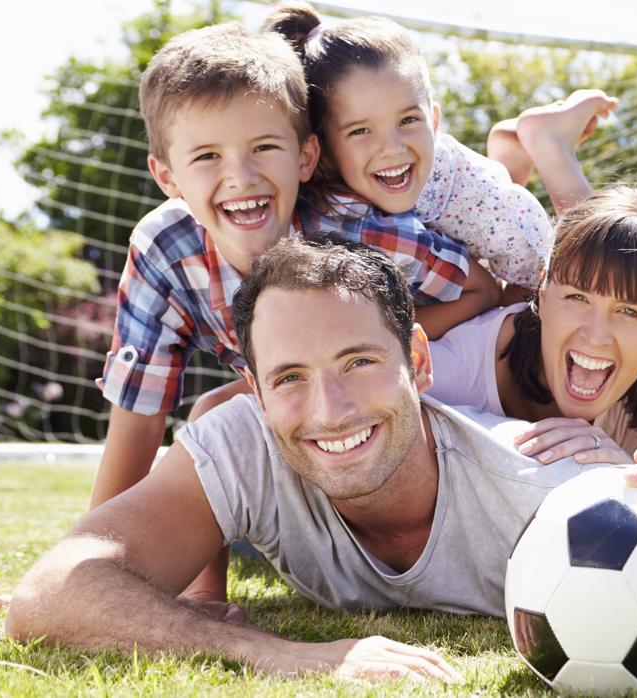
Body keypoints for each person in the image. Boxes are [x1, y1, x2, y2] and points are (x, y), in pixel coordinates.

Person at [5, 237, 637, 683]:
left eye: (359, 364)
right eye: (290, 378)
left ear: (418, 360)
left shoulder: (555, 494)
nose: (328, 410)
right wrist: (291, 656)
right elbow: (51, 591)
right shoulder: (245, 444)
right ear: (255, 394)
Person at [83, 20, 604, 611]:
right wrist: (96, 553)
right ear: (167, 177)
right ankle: (206, 594)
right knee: (214, 417)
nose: (242, 177)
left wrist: (390, 345)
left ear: (306, 157)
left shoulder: (358, 230)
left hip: (412, 369)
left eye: (264, 149)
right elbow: (139, 414)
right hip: (307, 402)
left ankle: (531, 160)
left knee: (569, 278)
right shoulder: (164, 251)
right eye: (207, 157)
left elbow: (485, 289)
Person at [264, 2, 618, 299]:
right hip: (466, 186)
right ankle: (510, 156)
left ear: (434, 121)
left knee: (586, 271)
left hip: (507, 224)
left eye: (407, 121)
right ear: (322, 147)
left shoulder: (496, 220)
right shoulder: (347, 187)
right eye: (360, 131)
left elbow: (502, 295)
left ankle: (548, 143)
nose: (391, 147)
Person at [427, 185, 637, 466]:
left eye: (628, 311)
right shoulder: (447, 376)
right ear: (543, 292)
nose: (596, 337)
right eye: (578, 297)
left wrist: (622, 478)